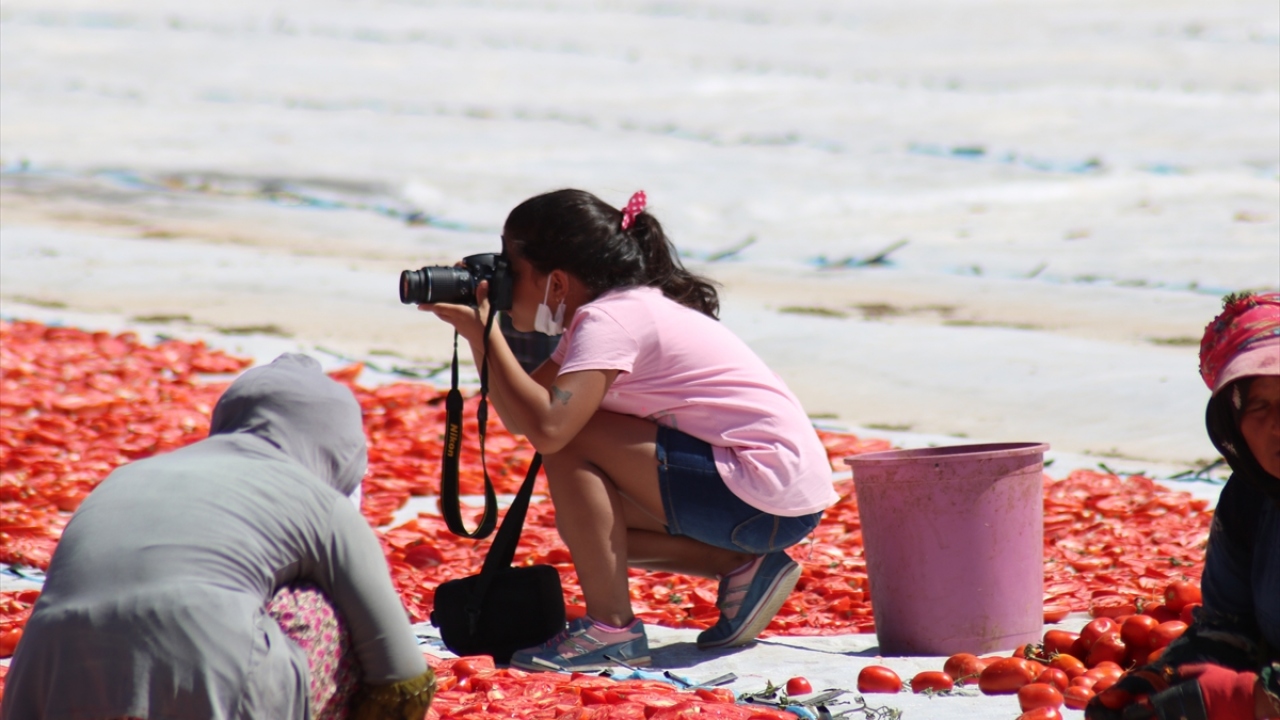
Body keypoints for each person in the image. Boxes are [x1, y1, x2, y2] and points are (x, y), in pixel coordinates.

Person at [423, 189, 838, 671]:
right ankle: (739, 566)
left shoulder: (609, 319)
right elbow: (522, 416)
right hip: (774, 498)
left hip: (758, 488)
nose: (501, 279)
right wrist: (480, 336)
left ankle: (611, 629)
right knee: (589, 528)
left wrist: (486, 332)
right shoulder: (613, 311)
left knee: (573, 440)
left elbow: (550, 430)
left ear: (556, 281)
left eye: (509, 267)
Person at [2, 354, 435, 720]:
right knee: (321, 607)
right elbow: (403, 677)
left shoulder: (127, 474)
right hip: (212, 689)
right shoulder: (320, 501)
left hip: (48, 689)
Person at [1087, 292, 1280, 720]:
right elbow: (1230, 626)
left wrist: (1249, 697)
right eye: (1259, 405)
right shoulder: (1250, 499)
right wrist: (1166, 674)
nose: (1277, 425)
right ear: (1234, 424)